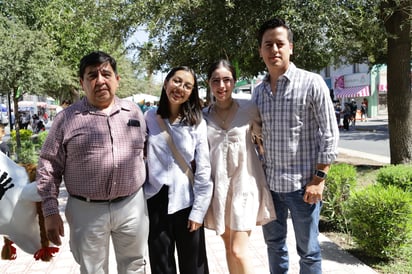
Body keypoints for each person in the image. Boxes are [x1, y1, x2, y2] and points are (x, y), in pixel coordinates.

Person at [36, 51, 149, 274]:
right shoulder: (66, 119)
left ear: (117, 79)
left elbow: (145, 153)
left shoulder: (133, 112)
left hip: (131, 206)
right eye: (92, 75)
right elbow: (48, 166)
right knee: (92, 270)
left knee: (135, 265)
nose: (100, 80)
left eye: (106, 74)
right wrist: (50, 212)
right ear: (82, 82)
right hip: (86, 211)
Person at [252, 18, 339, 274]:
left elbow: (330, 134)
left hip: (304, 188)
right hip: (271, 187)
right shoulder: (259, 92)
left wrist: (319, 179)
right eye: (268, 44)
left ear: (291, 47)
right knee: (274, 245)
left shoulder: (312, 83)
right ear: (261, 51)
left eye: (280, 43)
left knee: (309, 252)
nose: (274, 50)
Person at [203, 59, 276, 274]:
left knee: (238, 250)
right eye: (216, 80)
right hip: (220, 190)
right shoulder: (203, 116)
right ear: (209, 83)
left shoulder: (249, 108)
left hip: (246, 186)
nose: (221, 85)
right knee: (227, 247)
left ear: (234, 82)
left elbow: (266, 138)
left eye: (227, 80)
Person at [144, 66, 213, 274]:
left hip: (186, 201)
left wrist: (198, 211)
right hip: (155, 201)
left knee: (194, 267)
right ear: (166, 83)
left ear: (192, 92)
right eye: (176, 81)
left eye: (187, 86)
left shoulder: (196, 123)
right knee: (161, 266)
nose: (180, 88)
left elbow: (203, 169)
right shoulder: (148, 118)